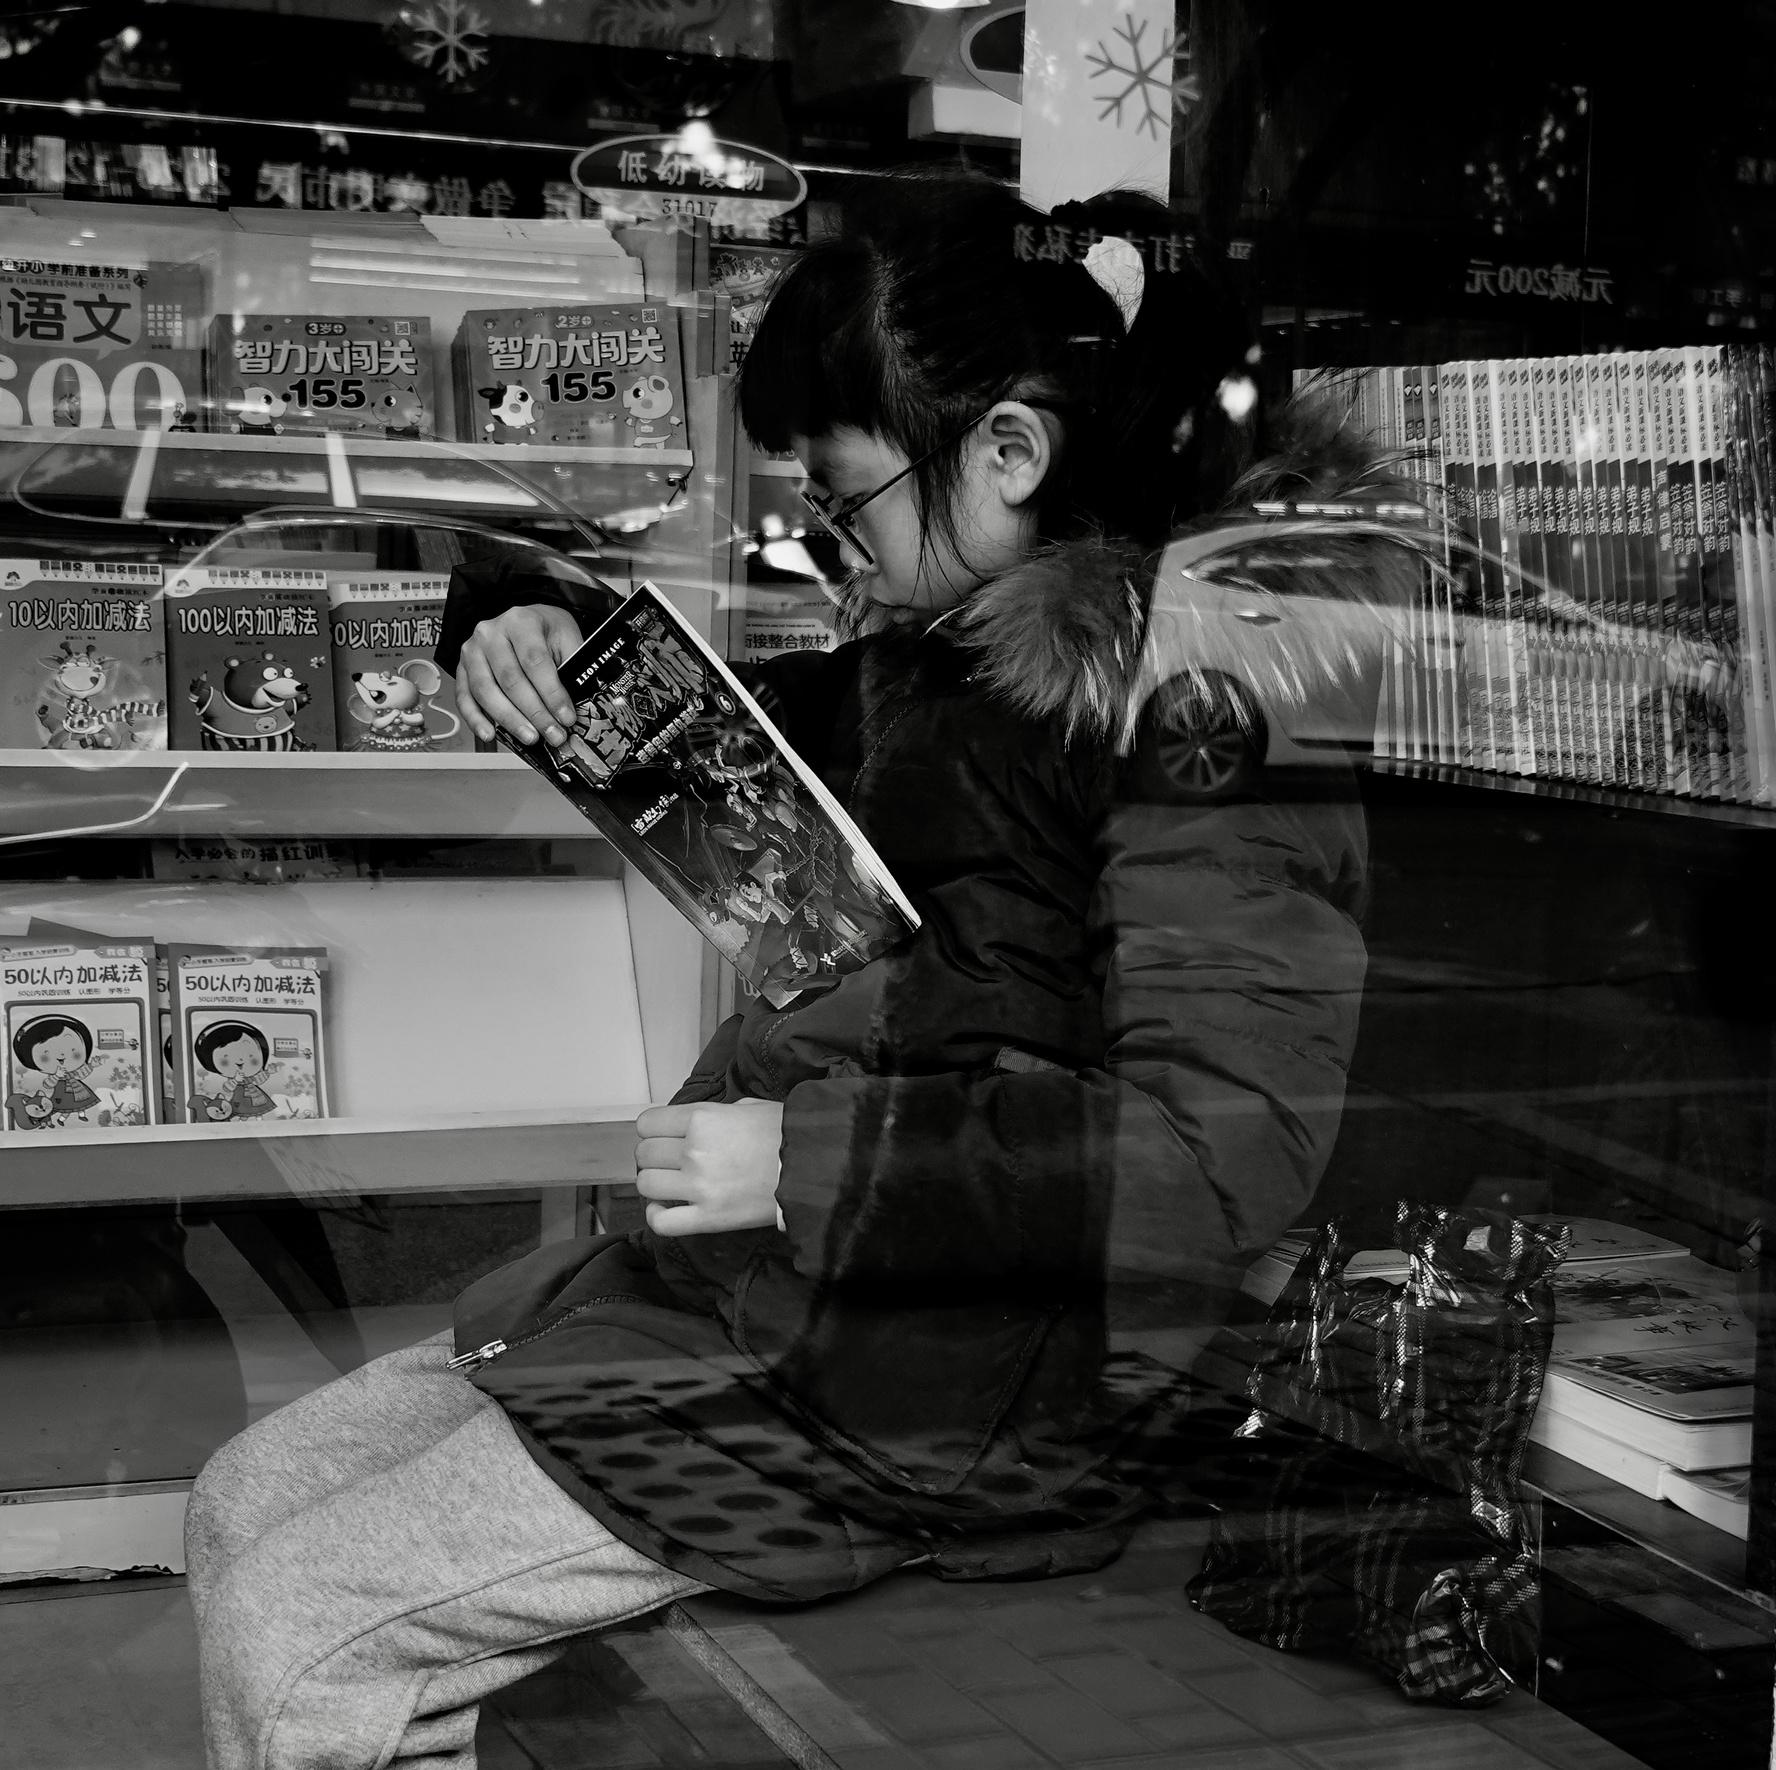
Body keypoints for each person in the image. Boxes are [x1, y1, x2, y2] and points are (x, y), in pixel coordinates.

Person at [185, 172, 1420, 1770]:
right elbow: (719, 711)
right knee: (244, 1503)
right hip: (764, 1320)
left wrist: (808, 1158)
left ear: (1009, 454)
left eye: (845, 506)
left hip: (929, 1407)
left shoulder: (1208, 724)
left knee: (301, 1627)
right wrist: (521, 625)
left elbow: (1221, 1153)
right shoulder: (942, 644)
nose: (832, 551)